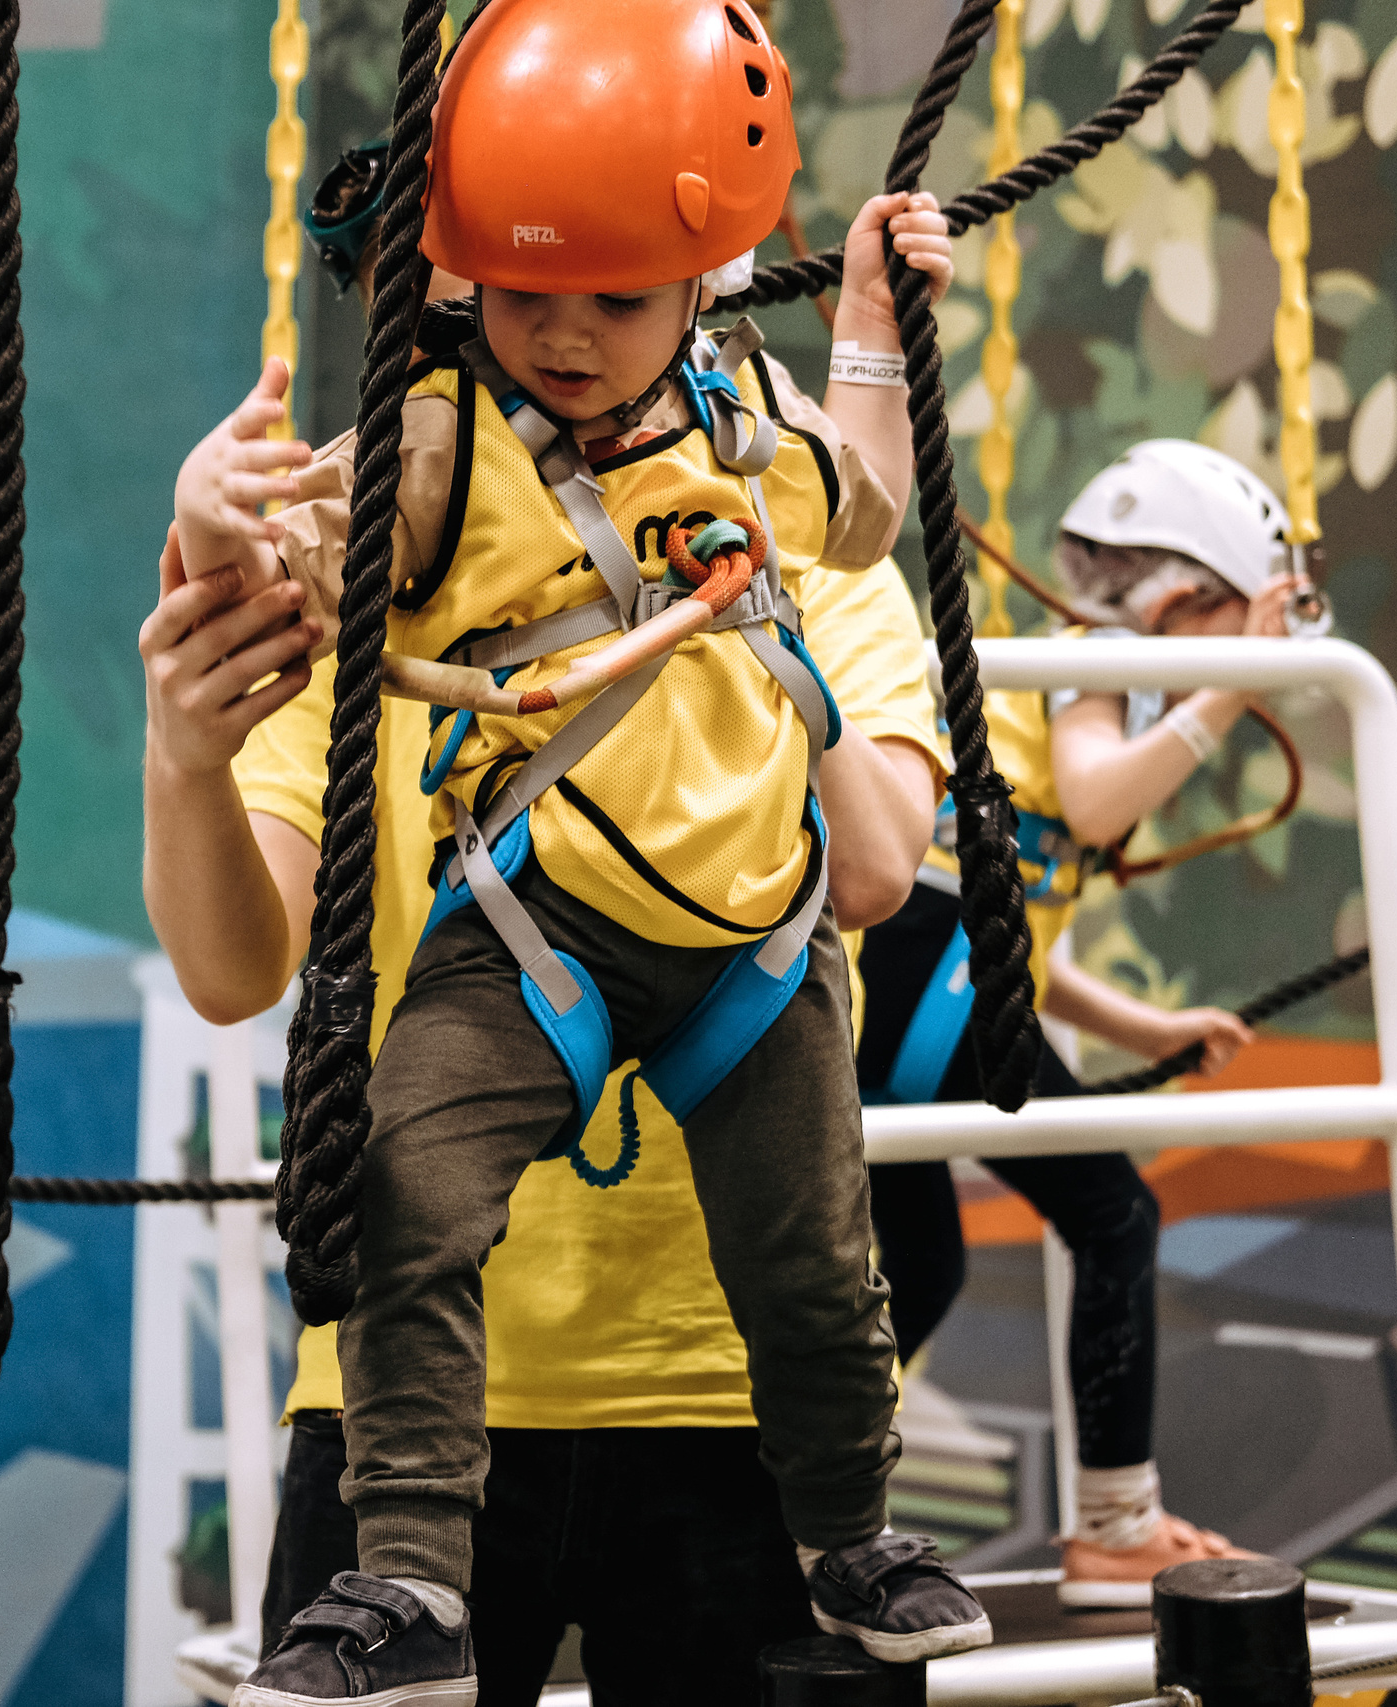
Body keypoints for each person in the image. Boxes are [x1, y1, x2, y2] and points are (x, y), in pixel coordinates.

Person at [164, 4, 994, 1699]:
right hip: (525, 969)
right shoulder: (442, 452)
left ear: (702, 288)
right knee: (410, 1193)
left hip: (733, 1123)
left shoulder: (753, 459)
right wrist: (214, 540)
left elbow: (872, 812)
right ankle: (410, 1575)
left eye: (617, 299)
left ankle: (852, 1529)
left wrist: (859, 345)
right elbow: (314, 552)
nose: (563, 335)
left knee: (820, 1257)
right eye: (525, 292)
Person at [855, 438, 1302, 1608]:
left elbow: (1012, 929)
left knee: (921, 1264)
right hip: (934, 978)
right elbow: (1097, 797)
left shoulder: (1074, 675)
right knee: (1113, 1213)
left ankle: (794, 1500)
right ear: (1181, 598)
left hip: (919, 978)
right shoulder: (1094, 663)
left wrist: (1141, 1027)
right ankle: (1114, 1525)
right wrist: (1228, 690)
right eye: (1238, 619)